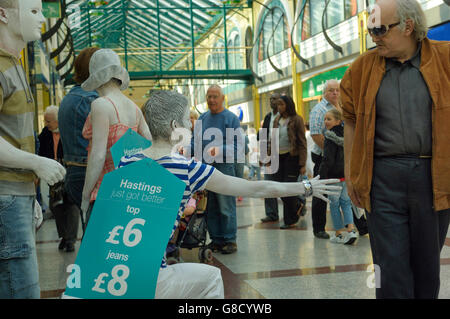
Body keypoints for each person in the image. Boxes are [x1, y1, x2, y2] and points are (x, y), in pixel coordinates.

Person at [118, 90, 341, 298]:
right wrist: (306, 187)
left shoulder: (127, 160)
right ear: (175, 125)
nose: (191, 126)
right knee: (212, 277)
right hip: (151, 278)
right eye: (187, 121)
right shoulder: (186, 168)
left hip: (115, 272)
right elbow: (257, 188)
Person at [341, 0, 450, 298]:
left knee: (427, 265)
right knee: (387, 266)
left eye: (380, 29)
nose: (374, 36)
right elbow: (349, 121)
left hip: (433, 177)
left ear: (408, 26)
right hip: (382, 179)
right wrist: (351, 175)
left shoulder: (445, 59)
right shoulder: (362, 68)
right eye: (370, 30)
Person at [0, 0, 66, 299]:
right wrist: (36, 163)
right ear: (3, 14)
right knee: (22, 289)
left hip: (17, 194)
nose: (42, 18)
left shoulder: (14, 64)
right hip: (6, 195)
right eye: (33, 11)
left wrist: (30, 192)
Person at [80, 48, 152, 222]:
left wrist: (85, 194)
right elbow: (150, 144)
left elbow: (97, 155)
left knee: (97, 248)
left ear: (96, 78)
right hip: (130, 194)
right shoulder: (134, 108)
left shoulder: (101, 105)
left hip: (105, 193)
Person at [190, 84, 244, 254]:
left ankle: (229, 239)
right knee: (211, 205)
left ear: (222, 98)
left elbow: (238, 147)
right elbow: (195, 143)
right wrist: (184, 149)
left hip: (224, 167)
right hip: (206, 168)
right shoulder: (202, 119)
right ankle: (216, 239)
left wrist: (220, 150)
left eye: (215, 96)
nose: (211, 100)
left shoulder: (231, 119)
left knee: (225, 205)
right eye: (209, 97)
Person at [57, 47, 100, 252]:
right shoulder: (91, 100)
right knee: (99, 232)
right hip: (88, 170)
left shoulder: (70, 97)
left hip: (74, 170)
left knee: (91, 228)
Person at [319, 109, 357, 244]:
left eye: (328, 119)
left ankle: (339, 233)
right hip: (345, 176)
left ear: (338, 121)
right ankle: (351, 231)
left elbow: (328, 159)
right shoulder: (347, 135)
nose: (325, 121)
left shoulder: (329, 137)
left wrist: (321, 176)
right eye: (324, 119)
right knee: (346, 203)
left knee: (334, 205)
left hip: (333, 177)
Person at [309, 79, 341, 239]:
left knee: (346, 191)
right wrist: (331, 153)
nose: (335, 93)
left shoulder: (340, 107)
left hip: (340, 157)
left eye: (337, 90)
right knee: (320, 192)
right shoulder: (319, 110)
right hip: (324, 157)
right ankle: (319, 228)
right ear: (324, 93)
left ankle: (358, 225)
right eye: (331, 90)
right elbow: (315, 134)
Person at [271, 95, 307, 229]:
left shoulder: (297, 120)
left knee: (287, 188)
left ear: (288, 105)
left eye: (281, 104)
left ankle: (289, 220)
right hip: (278, 158)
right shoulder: (276, 120)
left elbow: (302, 142)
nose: (279, 107)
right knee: (280, 189)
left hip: (292, 158)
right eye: (278, 105)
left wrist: (303, 164)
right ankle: (298, 204)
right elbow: (272, 139)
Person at [258, 92, 281, 223]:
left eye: (275, 99)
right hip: (268, 155)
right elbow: (263, 136)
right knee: (268, 184)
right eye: (270, 99)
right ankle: (271, 213)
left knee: (284, 183)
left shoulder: (284, 117)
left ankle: (298, 204)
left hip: (282, 155)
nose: (272, 101)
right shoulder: (267, 117)